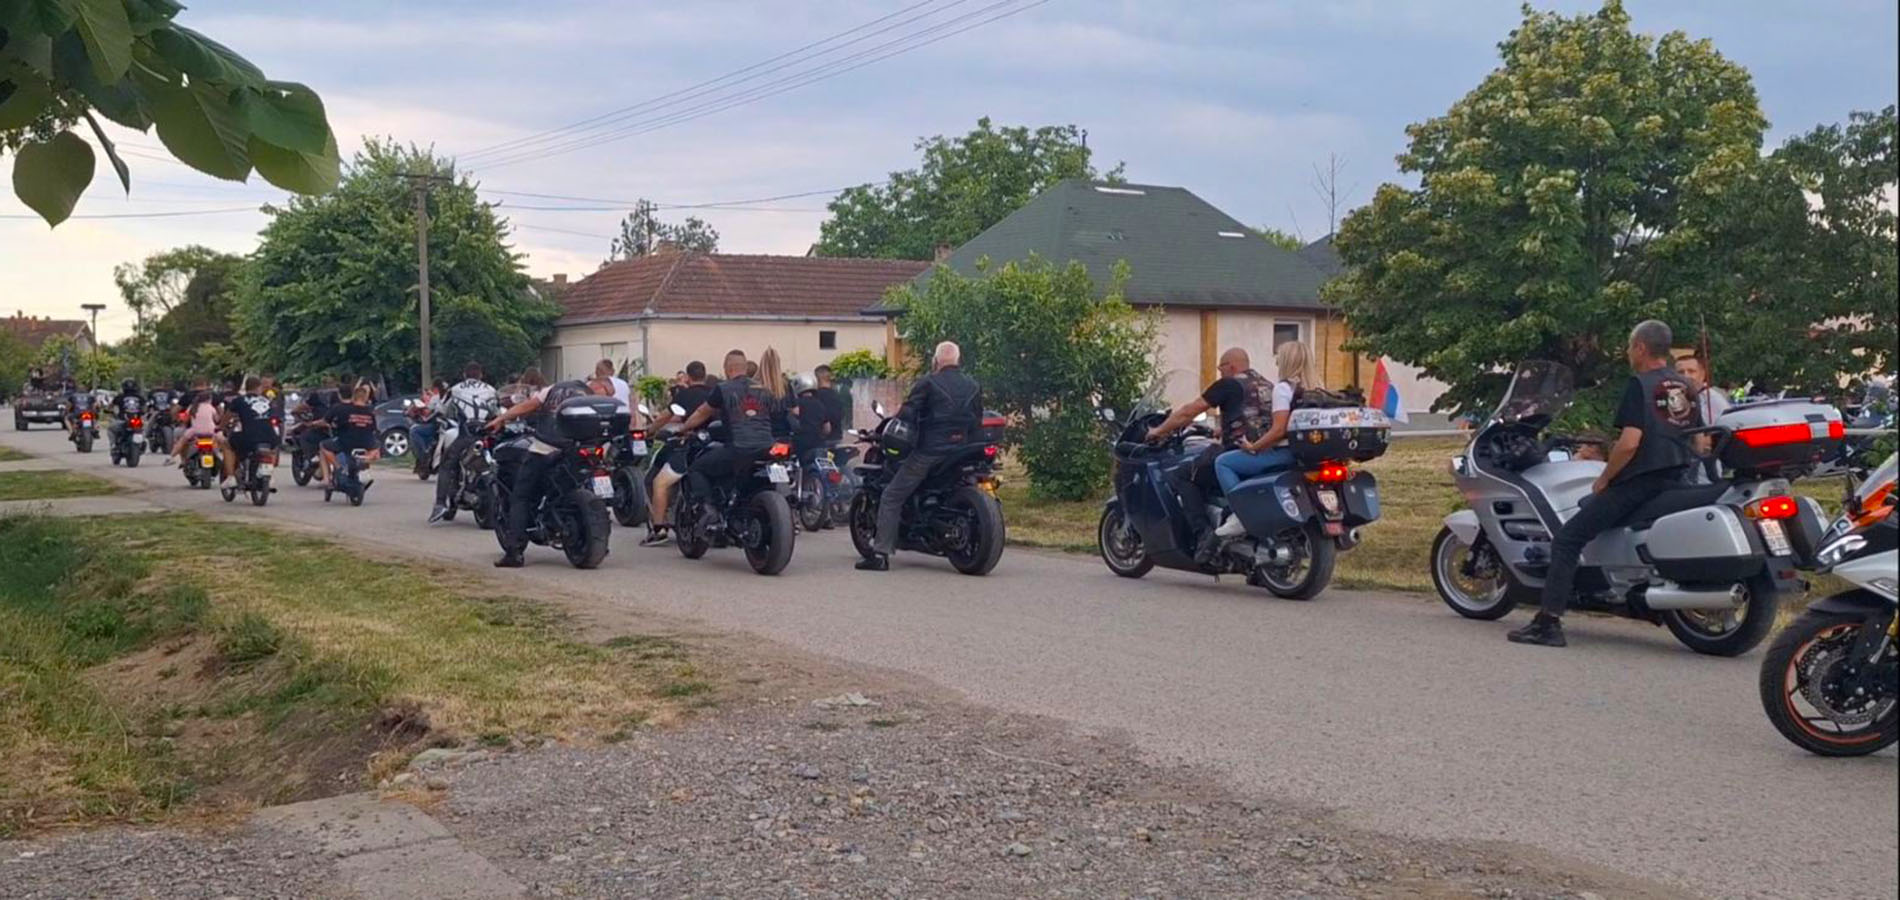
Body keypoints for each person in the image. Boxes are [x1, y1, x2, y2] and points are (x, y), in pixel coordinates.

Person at [1509, 320, 1703, 648]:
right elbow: (1699, 441)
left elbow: (1629, 443)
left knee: (1567, 539)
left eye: (1629, 347)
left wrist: (1605, 478)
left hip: (1640, 482)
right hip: (1677, 478)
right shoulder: (1685, 386)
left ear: (1640, 347)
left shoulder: (1640, 385)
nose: (1628, 353)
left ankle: (1548, 623)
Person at [856, 341, 981, 572]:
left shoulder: (928, 382)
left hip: (930, 452)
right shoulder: (972, 385)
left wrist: (891, 424)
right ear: (958, 360)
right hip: (962, 450)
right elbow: (977, 419)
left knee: (891, 495)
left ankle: (880, 555)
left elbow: (907, 415)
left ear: (936, 361)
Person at [1143, 347, 1277, 557]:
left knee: (1182, 475)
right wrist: (1223, 430)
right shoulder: (1267, 385)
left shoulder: (1228, 384)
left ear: (1231, 366)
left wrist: (1158, 431)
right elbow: (1255, 416)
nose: (1219, 373)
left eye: (1220, 368)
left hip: (1237, 455)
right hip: (1266, 454)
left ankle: (1203, 534)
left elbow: (1189, 411)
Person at [483, 369, 597, 567]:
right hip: (579, 447)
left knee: (521, 495)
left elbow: (527, 406)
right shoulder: (588, 394)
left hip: (548, 446)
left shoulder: (550, 391)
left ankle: (514, 553)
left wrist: (501, 418)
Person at [1209, 342, 1311, 537]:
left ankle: (1241, 515)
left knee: (1223, 462)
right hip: (1306, 454)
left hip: (1284, 453)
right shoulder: (1315, 388)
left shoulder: (1283, 388)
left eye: (1279, 358)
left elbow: (1279, 430)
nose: (1277, 361)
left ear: (1287, 361)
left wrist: (1253, 446)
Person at [674, 350, 779, 531]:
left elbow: (701, 413)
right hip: (767, 448)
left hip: (738, 449)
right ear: (745, 368)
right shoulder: (764, 389)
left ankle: (708, 510)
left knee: (696, 468)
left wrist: (682, 429)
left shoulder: (723, 389)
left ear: (728, 368)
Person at [641, 361, 715, 546]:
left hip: (690, 446)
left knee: (659, 483)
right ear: (704, 375)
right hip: (712, 447)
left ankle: (659, 530)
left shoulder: (685, 395)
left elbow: (664, 417)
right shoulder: (714, 394)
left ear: (688, 377)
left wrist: (649, 430)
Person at [429, 362, 502, 523]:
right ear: (481, 375)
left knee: (446, 465)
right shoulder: (491, 390)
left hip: (467, 434)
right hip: (489, 434)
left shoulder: (455, 389)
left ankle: (440, 503)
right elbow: (497, 410)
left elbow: (442, 409)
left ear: (464, 375)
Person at [1675, 353, 1730, 484]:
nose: (1686, 376)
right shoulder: (1675, 399)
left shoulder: (1713, 400)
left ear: (1702, 374)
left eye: (1691, 371)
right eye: (1681, 372)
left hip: (1705, 473)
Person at [319, 381, 381, 486]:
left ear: (354, 397)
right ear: (366, 398)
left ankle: (337, 470)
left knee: (323, 446)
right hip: (367, 443)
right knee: (377, 448)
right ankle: (366, 460)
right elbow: (373, 429)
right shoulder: (370, 411)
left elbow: (335, 423)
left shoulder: (344, 409)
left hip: (346, 442)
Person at [219, 375, 278, 484]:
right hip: (270, 437)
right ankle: (270, 475)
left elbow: (227, 417)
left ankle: (231, 477)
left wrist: (220, 427)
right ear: (259, 387)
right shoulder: (268, 401)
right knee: (272, 450)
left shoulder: (239, 400)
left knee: (227, 444)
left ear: (246, 388)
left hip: (249, 437)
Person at [172, 379, 220, 461]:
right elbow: (220, 411)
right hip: (211, 430)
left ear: (193, 385)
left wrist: (177, 420)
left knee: (179, 435)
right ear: (205, 384)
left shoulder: (187, 396)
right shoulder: (213, 396)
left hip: (191, 429)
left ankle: (184, 460)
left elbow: (175, 411)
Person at [410, 378, 449, 461]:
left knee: (414, 431)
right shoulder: (453, 397)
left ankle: (423, 456)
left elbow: (428, 412)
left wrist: (418, 409)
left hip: (439, 426)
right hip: (450, 425)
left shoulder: (436, 397)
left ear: (435, 388)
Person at [109, 377, 145, 449]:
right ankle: (142, 443)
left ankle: (113, 445)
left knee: (110, 429)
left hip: (123, 420)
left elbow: (111, 406)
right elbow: (145, 407)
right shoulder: (140, 397)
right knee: (143, 430)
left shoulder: (120, 397)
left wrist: (109, 411)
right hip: (137, 420)